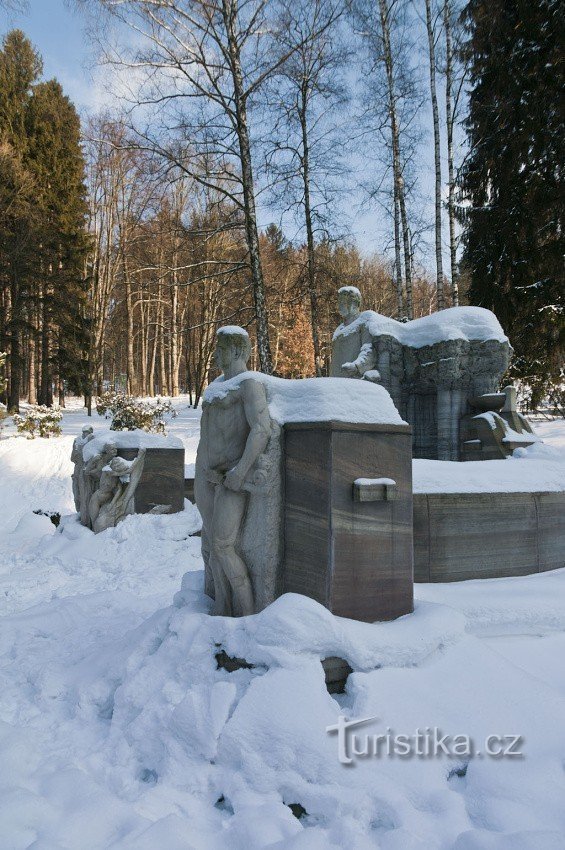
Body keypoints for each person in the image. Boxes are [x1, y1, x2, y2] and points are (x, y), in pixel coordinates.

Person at [195, 327, 271, 616]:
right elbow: (205, 436)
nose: (215, 354)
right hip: (208, 478)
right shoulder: (215, 388)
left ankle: (248, 612)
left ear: (238, 351)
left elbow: (261, 429)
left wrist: (240, 472)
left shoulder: (249, 384)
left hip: (232, 479)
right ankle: (222, 607)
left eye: (221, 349)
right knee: (212, 548)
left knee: (223, 545)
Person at [330, 286, 379, 381]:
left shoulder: (363, 322)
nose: (339, 305)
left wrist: (357, 366)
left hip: (353, 382)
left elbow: (369, 351)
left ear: (354, 304)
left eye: (343, 302)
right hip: (335, 383)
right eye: (338, 302)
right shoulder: (339, 329)